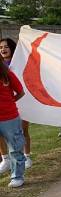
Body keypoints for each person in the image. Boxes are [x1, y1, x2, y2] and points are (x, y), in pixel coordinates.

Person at [0, 38, 32, 171]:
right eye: (0, 47)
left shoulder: (19, 63)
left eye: (6, 47)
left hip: (21, 100)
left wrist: (10, 101)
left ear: (12, 48)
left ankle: (27, 156)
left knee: (22, 131)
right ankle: (5, 159)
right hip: (6, 107)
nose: (3, 49)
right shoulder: (1, 66)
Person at [0, 58, 27, 187]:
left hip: (9, 118)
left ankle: (18, 177)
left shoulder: (7, 74)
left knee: (15, 148)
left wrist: (10, 102)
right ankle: (5, 163)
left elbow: (21, 92)